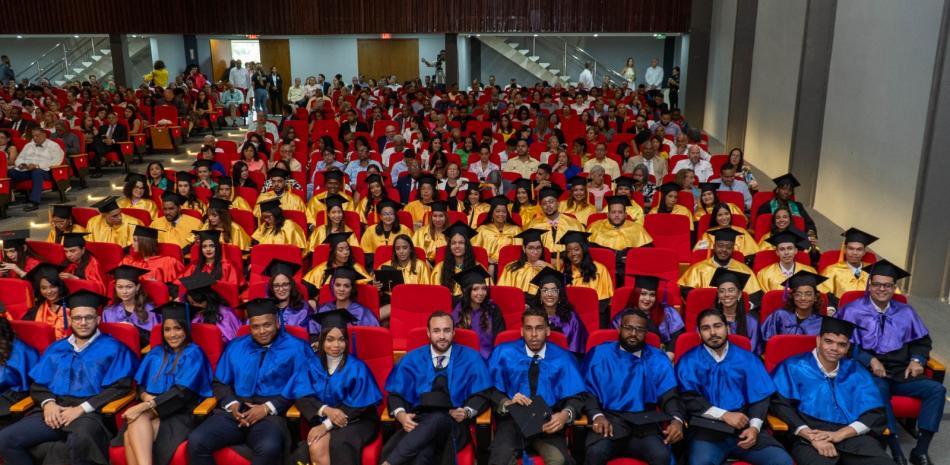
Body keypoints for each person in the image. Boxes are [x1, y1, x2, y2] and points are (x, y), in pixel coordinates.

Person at [0, 289, 136, 465]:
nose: (83, 323)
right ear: (70, 319)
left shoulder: (114, 348)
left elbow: (121, 386)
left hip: (91, 414)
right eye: (78, 318)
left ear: (98, 319)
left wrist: (81, 409)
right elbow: (39, 385)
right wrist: (48, 404)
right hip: (54, 410)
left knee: (77, 444)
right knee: (6, 439)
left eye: (89, 317)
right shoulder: (56, 348)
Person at [835, 260, 944, 464]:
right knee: (878, 389)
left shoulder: (906, 312)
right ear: (869, 285)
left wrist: (917, 359)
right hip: (868, 372)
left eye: (887, 285)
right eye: (877, 284)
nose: (881, 289)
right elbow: (841, 345)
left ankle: (920, 450)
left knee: (936, 390)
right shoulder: (852, 310)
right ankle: (895, 450)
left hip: (902, 372)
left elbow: (922, 341)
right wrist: (870, 359)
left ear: (894, 287)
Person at [186, 297, 313, 465]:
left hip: (271, 417)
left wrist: (267, 408)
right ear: (249, 326)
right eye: (255, 326)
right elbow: (220, 382)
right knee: (196, 441)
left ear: (277, 322)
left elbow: (303, 385)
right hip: (235, 413)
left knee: (269, 448)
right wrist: (232, 405)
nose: (262, 331)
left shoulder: (297, 348)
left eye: (267, 325)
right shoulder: (236, 346)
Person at [676, 309, 793, 465]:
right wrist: (724, 415)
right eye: (706, 328)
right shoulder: (688, 361)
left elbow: (760, 398)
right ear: (699, 333)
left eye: (717, 326)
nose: (712, 332)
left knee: (781, 461)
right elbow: (688, 399)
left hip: (744, 428)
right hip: (707, 431)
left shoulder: (747, 359)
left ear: (728, 328)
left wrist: (754, 428)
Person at [770, 317, 894, 465]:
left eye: (842, 344)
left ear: (848, 347)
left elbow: (875, 412)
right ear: (818, 341)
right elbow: (779, 404)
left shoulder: (856, 371)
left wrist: (840, 434)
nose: (834, 348)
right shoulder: (793, 367)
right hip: (808, 436)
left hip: (850, 435)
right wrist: (810, 436)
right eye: (828, 341)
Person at [381, 311, 491, 465]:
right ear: (428, 333)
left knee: (438, 419)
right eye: (436, 331)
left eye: (446, 330)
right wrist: (401, 416)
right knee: (423, 453)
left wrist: (466, 412)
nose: (442, 336)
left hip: (454, 425)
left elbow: (482, 393)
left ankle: (390, 462)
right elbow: (395, 393)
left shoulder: (471, 358)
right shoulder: (412, 359)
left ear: (453, 332)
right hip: (419, 423)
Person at [583, 309, 685, 465]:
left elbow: (669, 396)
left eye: (639, 329)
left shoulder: (657, 358)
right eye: (628, 328)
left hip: (644, 426)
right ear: (620, 328)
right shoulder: (600, 354)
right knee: (596, 452)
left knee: (661, 455)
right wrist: (597, 415)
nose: (633, 333)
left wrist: (677, 420)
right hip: (609, 423)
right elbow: (587, 393)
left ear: (646, 332)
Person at [117, 302, 214, 465]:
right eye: (167, 330)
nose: (172, 335)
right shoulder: (156, 352)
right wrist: (146, 397)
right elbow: (141, 385)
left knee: (131, 431)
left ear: (186, 330)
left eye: (178, 328)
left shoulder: (193, 353)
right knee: (133, 429)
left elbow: (182, 393)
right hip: (154, 410)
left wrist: (144, 406)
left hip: (181, 413)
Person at [487, 308, 586, 465]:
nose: (534, 334)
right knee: (499, 460)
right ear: (521, 331)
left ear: (547, 330)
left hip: (549, 422)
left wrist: (565, 415)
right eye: (528, 328)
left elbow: (576, 396)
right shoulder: (503, 353)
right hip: (512, 422)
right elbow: (491, 390)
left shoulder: (563, 357)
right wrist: (507, 402)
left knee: (561, 461)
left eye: (539, 328)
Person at [286, 310, 383, 465]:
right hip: (325, 416)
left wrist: (326, 425)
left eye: (341, 339)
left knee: (338, 444)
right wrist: (325, 410)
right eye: (330, 339)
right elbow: (301, 395)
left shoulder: (357, 367)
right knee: (314, 446)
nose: (336, 345)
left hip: (358, 420)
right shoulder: (311, 365)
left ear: (346, 341)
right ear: (322, 340)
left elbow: (359, 406)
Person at [679, 228, 762, 305]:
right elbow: (688, 293)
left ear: (733, 249)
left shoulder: (744, 270)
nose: (724, 250)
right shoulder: (698, 269)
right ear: (714, 247)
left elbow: (755, 296)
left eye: (729, 247)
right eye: (720, 246)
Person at [610, 275, 685, 357]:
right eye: (643, 294)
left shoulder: (668, 312)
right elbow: (615, 342)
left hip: (661, 356)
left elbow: (677, 336)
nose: (647, 299)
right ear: (636, 294)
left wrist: (669, 354)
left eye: (652, 295)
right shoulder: (622, 317)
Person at [588, 196, 653, 281]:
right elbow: (590, 252)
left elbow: (646, 254)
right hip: (602, 271)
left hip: (628, 271)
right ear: (608, 215)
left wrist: (631, 259)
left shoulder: (638, 229)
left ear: (625, 215)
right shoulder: (595, 228)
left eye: (620, 212)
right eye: (613, 212)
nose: (617, 215)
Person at [529, 268, 589, 354]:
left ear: (560, 294)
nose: (549, 294)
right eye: (545, 290)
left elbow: (578, 351)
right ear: (540, 295)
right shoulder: (533, 317)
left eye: (554, 290)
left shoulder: (571, 318)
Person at [818, 228, 881, 307]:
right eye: (851, 248)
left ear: (864, 252)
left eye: (859, 249)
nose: (854, 253)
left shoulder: (874, 270)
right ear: (844, 249)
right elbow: (822, 296)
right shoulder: (832, 271)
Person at [452, 267, 505, 359]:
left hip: (489, 358)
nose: (481, 293)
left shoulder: (493, 309)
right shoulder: (457, 310)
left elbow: (499, 339)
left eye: (484, 288)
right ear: (466, 291)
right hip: (462, 359)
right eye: (475, 289)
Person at [761, 270, 827, 343]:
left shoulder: (822, 322)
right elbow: (765, 342)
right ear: (792, 297)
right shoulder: (780, 315)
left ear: (815, 297)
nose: (803, 298)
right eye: (798, 294)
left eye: (808, 294)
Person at [101, 265, 159, 348]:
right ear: (115, 288)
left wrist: (133, 329)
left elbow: (155, 339)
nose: (124, 291)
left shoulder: (150, 310)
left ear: (137, 287)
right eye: (120, 287)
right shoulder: (108, 312)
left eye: (129, 287)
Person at [312, 266, 380, 335]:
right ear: (333, 287)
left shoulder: (363, 313)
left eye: (346, 286)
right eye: (338, 285)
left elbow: (374, 337)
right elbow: (313, 333)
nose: (341, 289)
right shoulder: (324, 309)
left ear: (352, 288)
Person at [8, 127, 64, 211]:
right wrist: (22, 164)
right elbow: (19, 158)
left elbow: (56, 162)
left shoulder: (54, 146)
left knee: (36, 172)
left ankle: (34, 202)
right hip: (27, 170)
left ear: (44, 135)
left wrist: (37, 165)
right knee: (10, 172)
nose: (35, 138)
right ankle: (6, 201)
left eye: (37, 136)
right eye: (33, 136)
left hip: (46, 171)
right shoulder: (28, 145)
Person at [710, 268, 763, 354]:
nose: (726, 294)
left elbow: (752, 351)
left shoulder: (751, 322)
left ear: (739, 294)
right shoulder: (708, 320)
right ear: (718, 295)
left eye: (731, 290)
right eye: (722, 291)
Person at [525, 186, 585, 260]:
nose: (548, 206)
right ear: (541, 207)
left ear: (558, 204)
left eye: (551, 202)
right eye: (544, 203)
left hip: (569, 262)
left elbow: (581, 249)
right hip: (542, 262)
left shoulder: (573, 223)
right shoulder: (534, 225)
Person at [179, 273, 242, 342]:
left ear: (208, 299)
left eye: (199, 302)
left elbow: (233, 342)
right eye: (191, 303)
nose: (195, 306)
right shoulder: (193, 313)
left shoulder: (226, 314)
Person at [262, 259, 315, 334]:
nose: (281, 289)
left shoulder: (303, 309)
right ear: (271, 288)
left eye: (285, 284)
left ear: (291, 285)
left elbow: (306, 335)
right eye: (276, 286)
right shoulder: (263, 308)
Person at [431, 222, 481, 300]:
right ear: (449, 246)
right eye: (453, 243)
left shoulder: (477, 268)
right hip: (445, 308)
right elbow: (435, 295)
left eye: (461, 243)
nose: (457, 246)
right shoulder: (440, 268)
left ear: (467, 245)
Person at [303, 232, 371, 290]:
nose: (345, 252)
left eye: (347, 249)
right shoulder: (322, 269)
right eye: (341, 250)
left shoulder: (355, 267)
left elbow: (368, 285)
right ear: (333, 252)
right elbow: (307, 287)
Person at [120, 225, 185, 283]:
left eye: (135, 240)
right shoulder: (129, 261)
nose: (132, 244)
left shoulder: (168, 262)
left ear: (145, 243)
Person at [496, 228, 552, 294]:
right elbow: (503, 292)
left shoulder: (548, 267)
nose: (535, 252)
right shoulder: (511, 268)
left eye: (538, 248)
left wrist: (548, 270)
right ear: (524, 249)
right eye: (531, 248)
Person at [473, 195, 522, 270]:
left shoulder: (515, 229)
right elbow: (475, 250)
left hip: (509, 265)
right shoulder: (482, 230)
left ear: (507, 214)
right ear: (492, 213)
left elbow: (518, 252)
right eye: (497, 211)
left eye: (504, 212)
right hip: (487, 264)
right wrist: (487, 259)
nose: (501, 214)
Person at [694, 203, 758, 257]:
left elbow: (753, 253)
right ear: (715, 218)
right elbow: (699, 254)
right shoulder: (708, 234)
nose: (724, 218)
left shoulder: (742, 232)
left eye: (726, 214)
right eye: (720, 215)